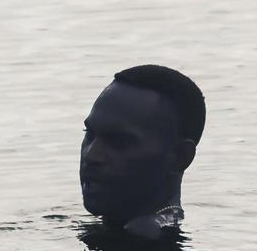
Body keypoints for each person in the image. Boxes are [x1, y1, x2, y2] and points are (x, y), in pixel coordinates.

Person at [79, 65, 205, 240]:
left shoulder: (143, 235)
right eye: (89, 134)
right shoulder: (146, 227)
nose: (91, 156)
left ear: (179, 157)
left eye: (119, 142)